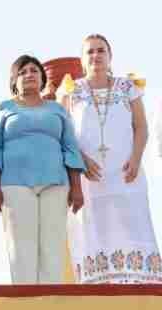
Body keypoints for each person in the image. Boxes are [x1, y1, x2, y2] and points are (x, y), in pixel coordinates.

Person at [61, 35, 161, 283]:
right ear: (82, 60)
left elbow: (141, 127)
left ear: (110, 56)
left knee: (133, 227)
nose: (96, 56)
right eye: (90, 52)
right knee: (94, 232)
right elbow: (64, 133)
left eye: (101, 50)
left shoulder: (128, 87)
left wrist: (136, 159)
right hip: (90, 180)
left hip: (127, 175)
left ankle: (140, 285)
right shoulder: (72, 91)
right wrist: (82, 159)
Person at [0, 55, 85, 284]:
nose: (29, 74)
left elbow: (70, 148)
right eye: (22, 72)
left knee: (53, 247)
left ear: (42, 78)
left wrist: (76, 187)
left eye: (34, 71)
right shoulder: (5, 109)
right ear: (14, 81)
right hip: (15, 183)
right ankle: (25, 302)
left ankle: (50, 301)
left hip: (55, 183)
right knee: (21, 248)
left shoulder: (57, 110)